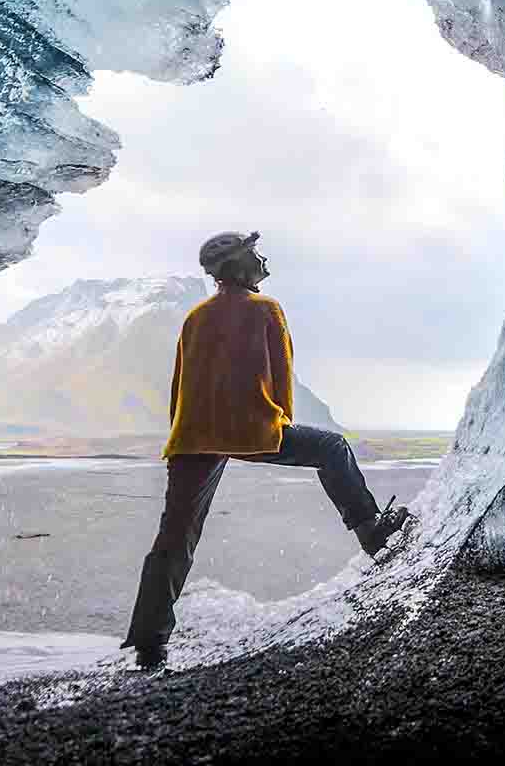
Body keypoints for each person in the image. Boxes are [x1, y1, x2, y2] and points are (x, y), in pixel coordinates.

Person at [120, 230, 413, 670]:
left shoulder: (195, 316)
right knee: (332, 447)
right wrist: (277, 425)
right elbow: (281, 377)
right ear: (238, 266)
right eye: (254, 254)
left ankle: (149, 642)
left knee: (175, 537)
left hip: (193, 437)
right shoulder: (266, 309)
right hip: (249, 429)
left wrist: (184, 436)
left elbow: (180, 385)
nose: (262, 260)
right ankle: (372, 533)